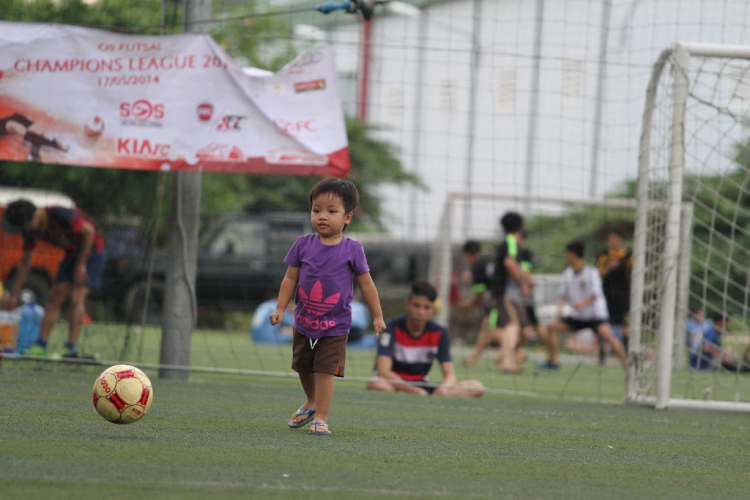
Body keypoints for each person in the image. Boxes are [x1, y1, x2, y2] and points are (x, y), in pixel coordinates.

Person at [270, 177, 386, 436]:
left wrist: (377, 316)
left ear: (347, 217)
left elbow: (367, 285)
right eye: (316, 210)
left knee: (324, 369)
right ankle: (310, 401)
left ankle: (321, 417)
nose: (322, 216)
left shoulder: (353, 249)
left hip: (335, 325)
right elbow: (290, 278)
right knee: (301, 365)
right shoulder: (302, 244)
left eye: (331, 211)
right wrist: (280, 308)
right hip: (303, 320)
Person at [2, 199, 105, 358]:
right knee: (56, 296)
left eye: (27, 226)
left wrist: (81, 265)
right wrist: (14, 294)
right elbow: (25, 262)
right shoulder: (30, 228)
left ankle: (71, 348)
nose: (27, 230)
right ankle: (41, 345)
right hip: (71, 254)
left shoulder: (59, 214)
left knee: (76, 297)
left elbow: (89, 232)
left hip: (91, 252)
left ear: (35, 216)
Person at [367, 281, 484, 397]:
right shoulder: (391, 328)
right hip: (395, 384)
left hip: (421, 385)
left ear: (433, 309)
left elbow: (450, 375)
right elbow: (383, 371)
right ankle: (409, 394)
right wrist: (414, 391)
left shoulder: (440, 332)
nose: (421, 312)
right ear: (407, 305)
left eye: (426, 307)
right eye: (416, 306)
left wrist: (443, 389)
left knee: (476, 387)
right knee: (376, 383)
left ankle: (425, 396)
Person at [538, 241, 628, 369]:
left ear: (573, 254)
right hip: (580, 316)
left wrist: (581, 303)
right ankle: (553, 361)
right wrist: (559, 311)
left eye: (566, 254)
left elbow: (595, 294)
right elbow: (562, 296)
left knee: (608, 336)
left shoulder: (591, 272)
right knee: (551, 327)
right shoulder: (568, 274)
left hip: (595, 315)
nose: (565, 257)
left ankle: (627, 363)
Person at [488, 212, 534, 372]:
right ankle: (506, 362)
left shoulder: (512, 243)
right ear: (521, 227)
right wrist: (523, 281)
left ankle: (503, 354)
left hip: (513, 295)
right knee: (512, 326)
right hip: (503, 293)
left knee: (526, 331)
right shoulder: (511, 241)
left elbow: (515, 266)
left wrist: (525, 283)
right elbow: (509, 263)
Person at [458, 240, 498, 366]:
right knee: (489, 326)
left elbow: (479, 293)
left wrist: (469, 304)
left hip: (497, 301)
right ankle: (474, 357)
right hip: (507, 298)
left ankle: (473, 358)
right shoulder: (489, 260)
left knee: (489, 328)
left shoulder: (477, 266)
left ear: (467, 254)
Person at [596, 228, 633, 354]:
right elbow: (598, 274)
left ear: (620, 240)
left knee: (625, 325)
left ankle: (626, 352)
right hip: (606, 295)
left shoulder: (629, 256)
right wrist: (608, 267)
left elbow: (632, 275)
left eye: (615, 239)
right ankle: (602, 354)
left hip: (623, 296)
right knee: (603, 325)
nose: (613, 241)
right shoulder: (604, 255)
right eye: (610, 239)